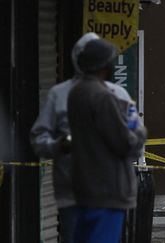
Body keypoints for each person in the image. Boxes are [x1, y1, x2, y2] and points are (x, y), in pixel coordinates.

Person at [29, 33, 139, 243]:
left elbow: (133, 142)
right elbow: (39, 138)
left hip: (107, 189)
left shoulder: (118, 95)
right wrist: (59, 146)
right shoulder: (60, 94)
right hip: (73, 191)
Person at [67, 37, 146, 242]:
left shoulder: (76, 92)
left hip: (85, 185)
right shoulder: (103, 96)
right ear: (103, 65)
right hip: (107, 188)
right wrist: (139, 133)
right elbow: (124, 142)